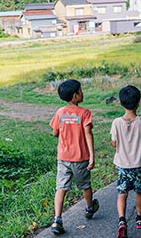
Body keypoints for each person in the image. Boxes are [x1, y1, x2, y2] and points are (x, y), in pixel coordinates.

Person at [49, 79, 99, 235]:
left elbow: (55, 133)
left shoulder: (59, 112)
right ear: (75, 95)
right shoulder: (84, 113)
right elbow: (88, 134)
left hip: (63, 158)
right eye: (81, 91)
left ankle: (57, 219)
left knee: (61, 188)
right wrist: (91, 156)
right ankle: (90, 208)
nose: (82, 93)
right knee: (85, 185)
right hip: (80, 157)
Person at [110, 86, 141, 238]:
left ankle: (122, 221)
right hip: (140, 164)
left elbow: (114, 144)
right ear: (139, 103)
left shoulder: (116, 123)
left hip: (123, 165)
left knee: (122, 193)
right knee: (139, 192)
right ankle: (140, 219)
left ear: (121, 104)